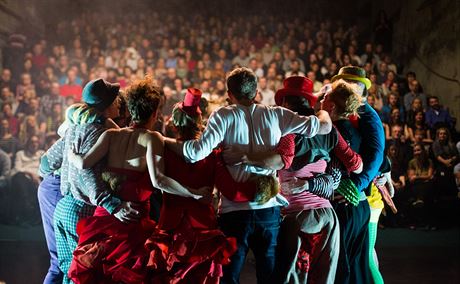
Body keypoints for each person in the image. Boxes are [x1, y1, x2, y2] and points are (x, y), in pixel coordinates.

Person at [165, 67, 332, 284]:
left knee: (230, 277)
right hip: (268, 210)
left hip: (234, 212)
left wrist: (164, 142)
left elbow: (196, 153)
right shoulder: (276, 114)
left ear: (229, 93)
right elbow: (324, 127)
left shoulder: (223, 115)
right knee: (268, 276)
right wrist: (323, 110)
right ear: (256, 92)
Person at [66, 77, 206, 283]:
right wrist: (192, 193)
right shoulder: (152, 138)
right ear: (155, 113)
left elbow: (84, 163)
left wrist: (71, 156)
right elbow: (159, 181)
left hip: (104, 219)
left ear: (131, 110)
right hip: (132, 224)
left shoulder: (111, 135)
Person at [42, 78, 140, 283]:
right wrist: (113, 205)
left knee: (70, 272)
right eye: (115, 101)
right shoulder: (99, 132)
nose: (118, 105)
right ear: (107, 106)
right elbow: (87, 174)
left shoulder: (74, 128)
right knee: (84, 273)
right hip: (80, 210)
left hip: (63, 207)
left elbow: (46, 163)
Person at [330, 66, 385, 284]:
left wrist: (356, 184)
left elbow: (377, 154)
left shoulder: (367, 115)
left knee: (365, 259)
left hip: (363, 198)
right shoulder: (345, 115)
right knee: (358, 261)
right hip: (355, 196)